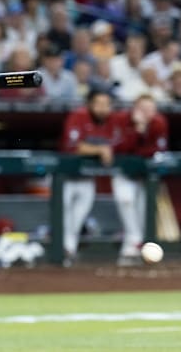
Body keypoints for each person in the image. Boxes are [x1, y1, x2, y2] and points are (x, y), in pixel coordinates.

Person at [60, 88, 117, 266]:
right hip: (64, 176)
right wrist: (100, 150)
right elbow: (73, 146)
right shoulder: (78, 116)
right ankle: (63, 252)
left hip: (86, 179)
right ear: (90, 104)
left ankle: (68, 251)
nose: (102, 108)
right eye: (98, 104)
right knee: (63, 217)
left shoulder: (111, 122)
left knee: (77, 220)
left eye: (106, 105)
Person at [112, 94, 169, 266]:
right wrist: (137, 131)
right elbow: (119, 148)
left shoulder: (159, 122)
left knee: (145, 211)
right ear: (135, 108)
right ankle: (134, 241)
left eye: (150, 109)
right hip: (124, 172)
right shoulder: (122, 119)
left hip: (147, 176)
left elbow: (157, 150)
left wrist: (143, 132)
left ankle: (138, 246)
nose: (147, 113)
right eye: (143, 109)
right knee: (125, 200)